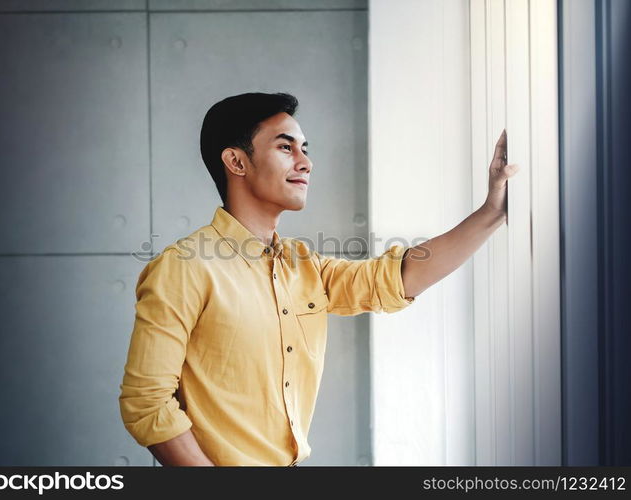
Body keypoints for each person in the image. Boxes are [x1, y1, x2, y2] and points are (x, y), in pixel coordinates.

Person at [118, 92, 518, 466]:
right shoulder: (184, 267)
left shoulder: (302, 264)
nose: (305, 162)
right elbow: (147, 403)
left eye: (304, 149)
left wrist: (491, 212)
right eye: (285, 147)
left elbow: (397, 278)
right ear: (236, 162)